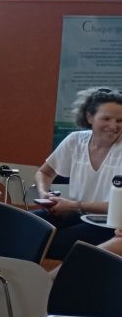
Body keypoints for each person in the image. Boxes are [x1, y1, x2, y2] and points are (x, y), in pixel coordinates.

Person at [34, 87, 122, 259]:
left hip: (109, 225)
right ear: (89, 117)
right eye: (106, 119)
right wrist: (45, 194)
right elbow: (44, 173)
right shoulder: (75, 140)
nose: (113, 126)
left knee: (50, 243)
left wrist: (75, 205)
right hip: (75, 213)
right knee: (22, 227)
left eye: (120, 120)